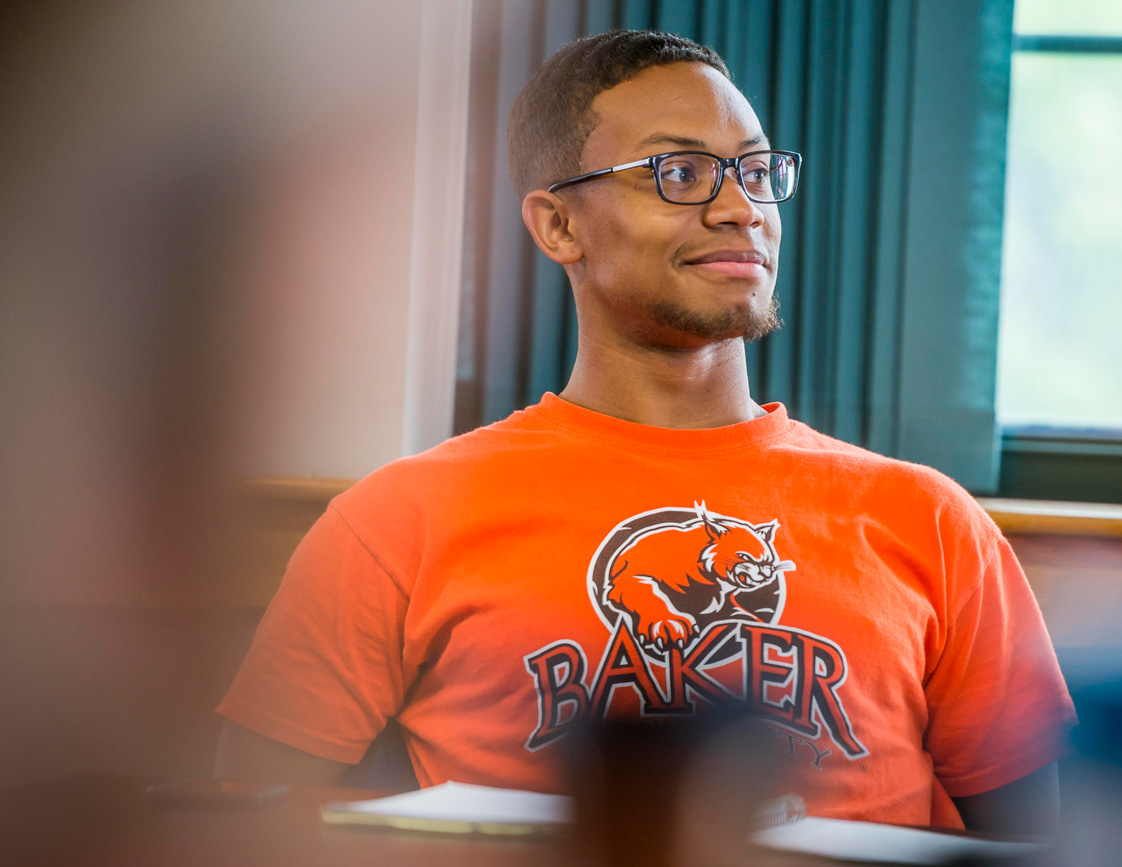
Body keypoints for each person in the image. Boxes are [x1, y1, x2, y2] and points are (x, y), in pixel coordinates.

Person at [215, 30, 1075, 833]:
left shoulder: (931, 519)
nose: (742, 208)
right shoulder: (397, 519)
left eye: (754, 170)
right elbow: (251, 823)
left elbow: (1035, 839)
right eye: (680, 172)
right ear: (558, 225)